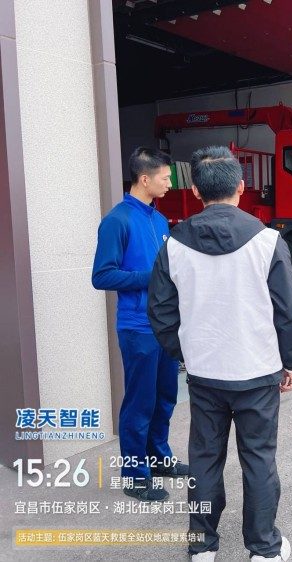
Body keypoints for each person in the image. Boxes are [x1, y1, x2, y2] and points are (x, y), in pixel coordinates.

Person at [148, 145, 292, 562]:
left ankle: (202, 545)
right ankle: (264, 548)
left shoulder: (173, 245)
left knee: (204, 459)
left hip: (205, 375)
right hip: (257, 372)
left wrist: (185, 352)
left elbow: (160, 312)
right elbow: (288, 311)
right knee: (258, 459)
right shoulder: (268, 241)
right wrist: (291, 361)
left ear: (196, 191)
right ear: (241, 187)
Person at [92, 147, 189, 502]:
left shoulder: (159, 220)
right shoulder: (117, 221)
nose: (169, 183)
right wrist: (151, 277)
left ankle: (158, 458)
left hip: (164, 326)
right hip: (137, 327)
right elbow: (101, 276)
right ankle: (135, 476)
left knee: (165, 396)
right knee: (139, 403)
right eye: (165, 177)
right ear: (145, 179)